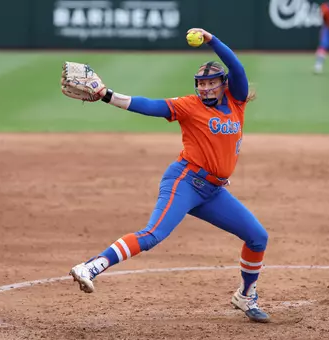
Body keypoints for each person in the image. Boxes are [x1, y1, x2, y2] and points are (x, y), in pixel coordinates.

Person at [65, 28, 270, 323]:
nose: (206, 88)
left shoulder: (236, 103)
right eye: (201, 83)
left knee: (257, 237)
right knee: (153, 235)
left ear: (224, 85)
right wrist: (108, 96)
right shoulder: (189, 105)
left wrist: (212, 40)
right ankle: (91, 266)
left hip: (213, 192)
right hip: (184, 182)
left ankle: (245, 296)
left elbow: (237, 67)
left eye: (212, 83)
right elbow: (150, 105)